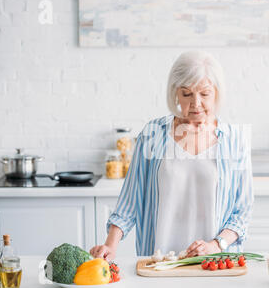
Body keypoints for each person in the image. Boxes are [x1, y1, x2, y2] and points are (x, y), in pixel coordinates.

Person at [90, 50, 253, 260]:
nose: (195, 103)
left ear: (217, 93)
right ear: (175, 93)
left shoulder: (235, 140)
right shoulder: (153, 135)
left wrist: (216, 244)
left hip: (214, 264)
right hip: (160, 261)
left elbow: (242, 211)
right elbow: (130, 201)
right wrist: (110, 246)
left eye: (204, 94)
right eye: (186, 94)